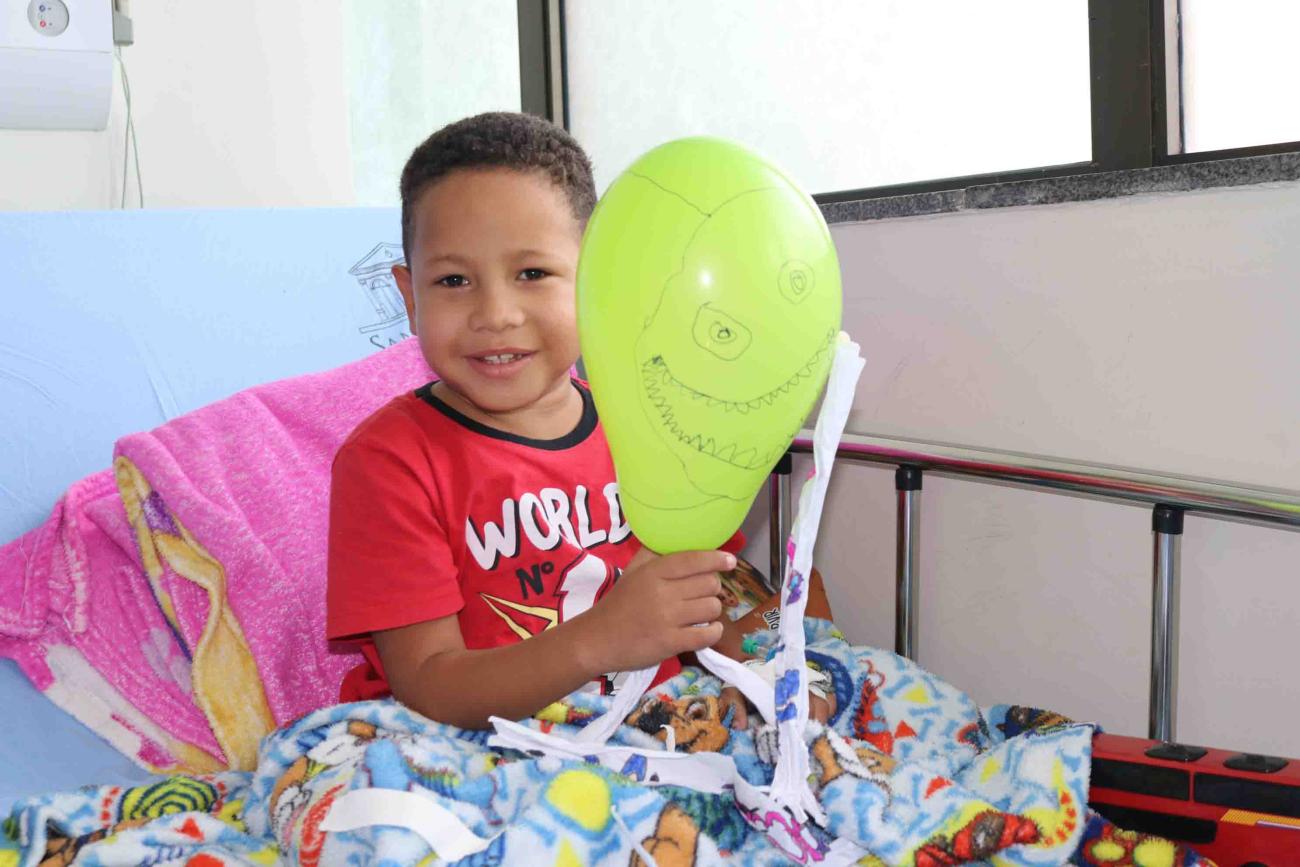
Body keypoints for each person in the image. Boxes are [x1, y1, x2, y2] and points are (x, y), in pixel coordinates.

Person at [326, 112, 831, 730]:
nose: (496, 314)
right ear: (409, 297)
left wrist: (783, 658)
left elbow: (720, 583)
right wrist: (603, 637)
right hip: (465, 744)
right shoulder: (390, 462)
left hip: (646, 729)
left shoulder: (651, 420)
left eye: (532, 274)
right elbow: (428, 687)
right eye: (453, 280)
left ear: (596, 274)